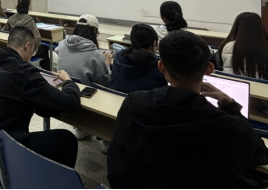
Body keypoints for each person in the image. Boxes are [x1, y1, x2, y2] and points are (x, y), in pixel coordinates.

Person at [107, 30, 268, 188]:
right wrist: (229, 104)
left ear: (161, 66)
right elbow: (261, 155)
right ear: (209, 69)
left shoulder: (133, 104)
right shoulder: (229, 125)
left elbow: (115, 166)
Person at [0, 26, 81, 168]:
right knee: (67, 140)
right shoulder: (26, 72)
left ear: (8, 45)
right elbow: (71, 102)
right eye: (33, 51)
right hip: (3, 148)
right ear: (27, 46)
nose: (32, 55)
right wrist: (68, 81)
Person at [109, 24, 167, 94]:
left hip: (116, 98)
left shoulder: (119, 56)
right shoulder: (158, 64)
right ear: (154, 43)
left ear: (132, 41)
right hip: (145, 101)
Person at [56, 14, 111, 87]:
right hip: (81, 91)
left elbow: (57, 50)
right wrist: (107, 63)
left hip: (62, 85)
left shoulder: (62, 44)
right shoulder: (96, 55)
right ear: (95, 31)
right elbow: (104, 83)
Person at [3, 0, 49, 69]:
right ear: (28, 6)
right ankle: (46, 72)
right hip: (25, 50)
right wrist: (32, 50)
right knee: (44, 49)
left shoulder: (11, 18)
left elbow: (3, 32)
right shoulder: (30, 21)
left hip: (12, 49)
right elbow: (37, 38)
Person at [218, 12, 268, 79]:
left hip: (232, 83)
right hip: (261, 84)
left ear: (236, 27)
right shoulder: (265, 46)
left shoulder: (227, 46)